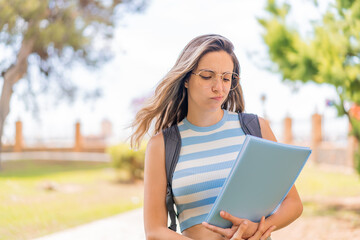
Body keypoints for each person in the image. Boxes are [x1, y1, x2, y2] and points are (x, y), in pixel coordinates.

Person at [131, 34, 303, 240]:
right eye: (207, 76)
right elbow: (154, 230)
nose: (218, 87)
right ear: (186, 78)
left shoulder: (256, 128)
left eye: (226, 78)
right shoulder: (163, 145)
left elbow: (293, 204)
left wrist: (255, 229)